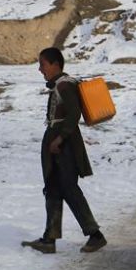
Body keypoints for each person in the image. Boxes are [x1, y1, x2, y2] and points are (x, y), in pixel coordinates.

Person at [21, 47, 106, 254]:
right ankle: (49, 239)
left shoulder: (64, 85)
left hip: (64, 144)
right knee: (53, 187)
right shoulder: (59, 84)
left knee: (68, 188)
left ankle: (95, 235)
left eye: (43, 64)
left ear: (55, 64)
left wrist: (59, 138)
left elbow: (74, 113)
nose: (40, 69)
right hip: (57, 140)